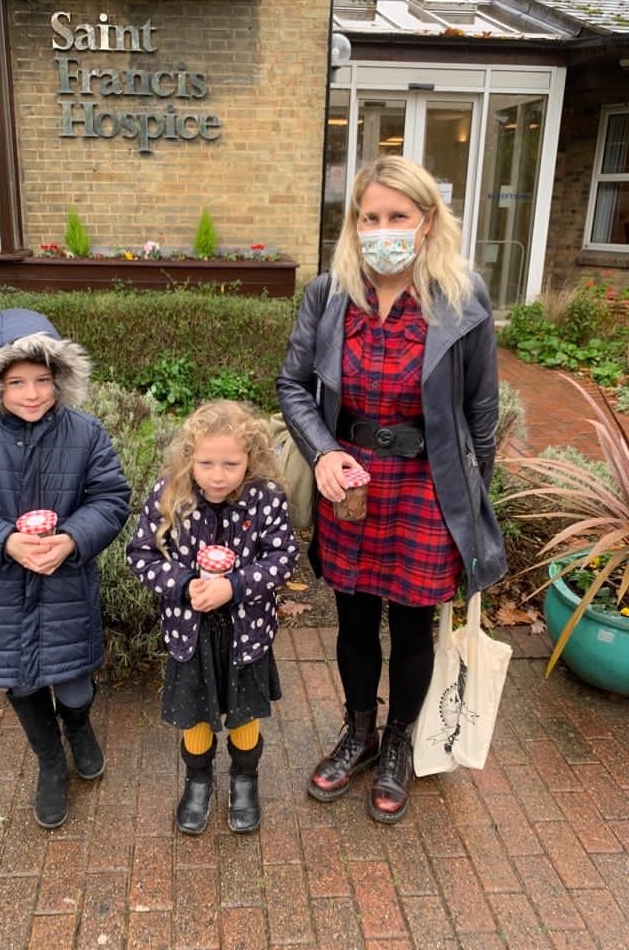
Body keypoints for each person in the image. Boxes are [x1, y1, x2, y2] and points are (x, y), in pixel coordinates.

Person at [276, 155, 506, 824]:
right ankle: (358, 731)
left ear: (427, 221)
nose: (382, 230)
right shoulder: (328, 294)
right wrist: (321, 454)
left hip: (427, 490)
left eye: (397, 217)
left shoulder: (462, 299)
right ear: (354, 224)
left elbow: (481, 416)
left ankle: (400, 741)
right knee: (351, 619)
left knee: (409, 627)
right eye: (369, 217)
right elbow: (293, 385)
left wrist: (468, 507)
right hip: (349, 482)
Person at [0, 308, 131, 829]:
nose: (33, 393)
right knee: (21, 684)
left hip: (66, 582)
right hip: (1, 587)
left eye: (43, 380)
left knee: (76, 683)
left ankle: (79, 727)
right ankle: (49, 762)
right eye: (17, 382)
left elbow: (110, 498)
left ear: (60, 378)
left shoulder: (85, 433)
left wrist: (71, 540)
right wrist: (4, 541)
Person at [126, 400, 299, 835]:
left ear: (251, 459)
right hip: (190, 630)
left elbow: (283, 557)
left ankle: (245, 778)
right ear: (190, 457)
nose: (217, 474)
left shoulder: (266, 498)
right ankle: (198, 779)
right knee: (195, 711)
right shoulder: (172, 495)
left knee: (244, 711)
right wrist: (184, 585)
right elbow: (141, 554)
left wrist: (235, 586)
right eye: (206, 462)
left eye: (230, 463)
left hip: (248, 630)